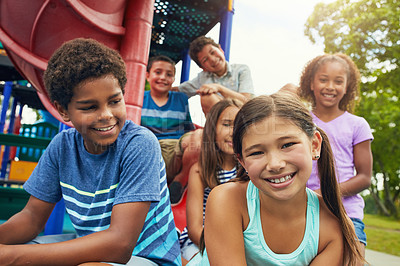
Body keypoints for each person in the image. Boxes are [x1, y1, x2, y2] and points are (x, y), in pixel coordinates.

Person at [0, 38, 181, 265]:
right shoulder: (61, 147)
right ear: (63, 111)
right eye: (90, 107)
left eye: (115, 101)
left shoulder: (139, 144)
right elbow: (32, 218)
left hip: (146, 258)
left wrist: (11, 257)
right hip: (92, 247)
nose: (106, 114)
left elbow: (120, 244)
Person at [188, 94, 365, 265]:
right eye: (257, 152)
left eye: (287, 145)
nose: (275, 164)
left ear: (314, 145)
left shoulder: (333, 224)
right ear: (242, 162)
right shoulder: (227, 200)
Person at [298, 53, 373, 264]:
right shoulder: (299, 121)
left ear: (347, 86)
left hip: (347, 214)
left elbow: (365, 177)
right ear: (311, 83)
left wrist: (324, 193)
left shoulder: (358, 125)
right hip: (304, 211)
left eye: (338, 81)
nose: (330, 86)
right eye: (323, 79)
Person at [179, 99, 242, 262]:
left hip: (236, 241)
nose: (233, 132)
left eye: (239, 126)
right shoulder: (200, 171)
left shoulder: (247, 171)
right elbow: (194, 228)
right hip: (201, 241)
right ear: (212, 129)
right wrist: (220, 248)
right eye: (227, 124)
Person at [141, 55, 202, 202]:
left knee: (200, 135)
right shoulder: (140, 98)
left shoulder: (180, 99)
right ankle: (150, 188)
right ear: (148, 76)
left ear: (173, 79)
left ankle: (179, 182)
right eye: (158, 72)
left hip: (177, 150)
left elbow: (189, 129)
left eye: (169, 75)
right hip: (152, 150)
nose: (163, 77)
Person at [177, 36, 254, 115]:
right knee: (207, 97)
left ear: (220, 49)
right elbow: (178, 90)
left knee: (208, 95)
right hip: (220, 121)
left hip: (243, 118)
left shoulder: (241, 69)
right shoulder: (202, 78)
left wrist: (219, 88)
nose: (213, 60)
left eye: (213, 52)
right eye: (205, 60)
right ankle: (216, 126)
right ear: (203, 67)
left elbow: (246, 101)